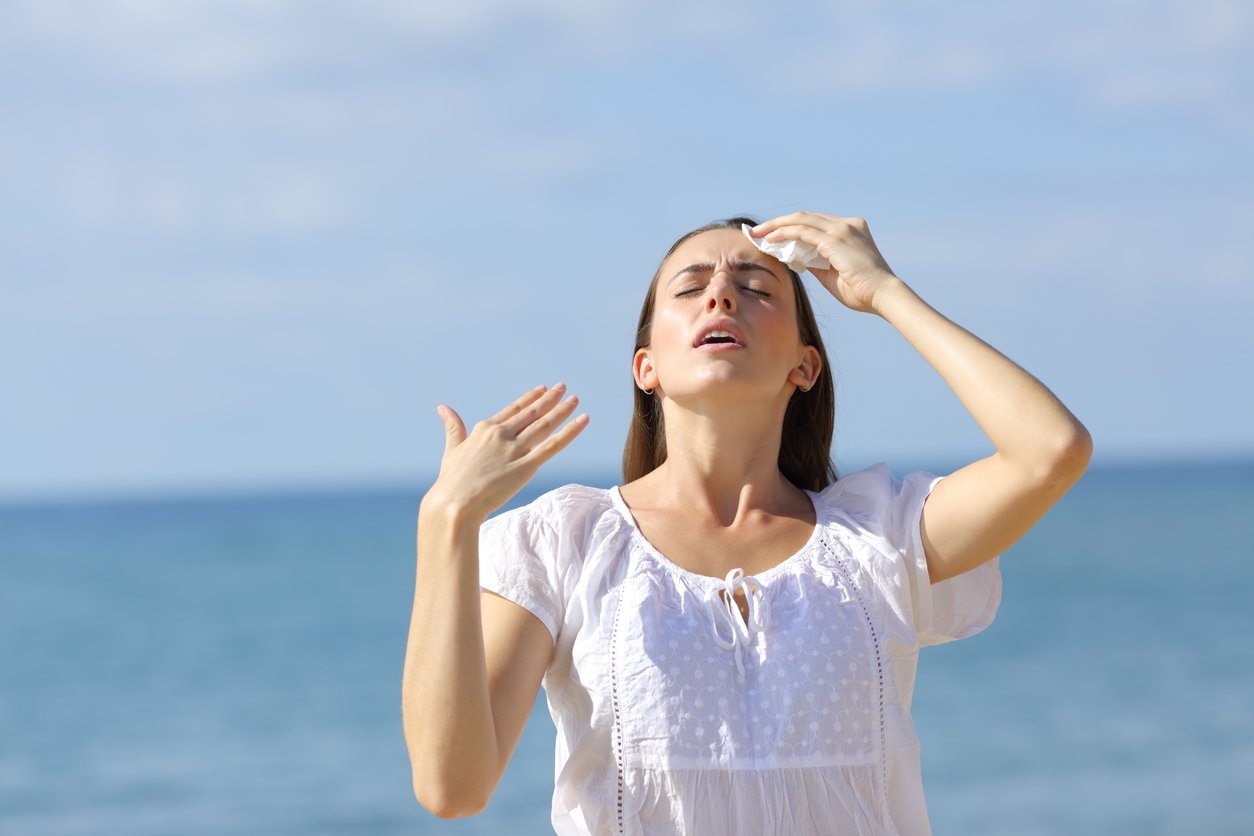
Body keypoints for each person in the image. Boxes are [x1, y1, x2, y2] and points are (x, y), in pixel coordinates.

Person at [402, 212, 1092, 834]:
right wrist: (447, 521)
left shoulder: (876, 536)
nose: (721, 295)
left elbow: (1050, 451)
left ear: (804, 366)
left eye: (757, 286)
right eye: (690, 285)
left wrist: (883, 291)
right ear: (646, 367)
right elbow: (452, 788)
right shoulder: (564, 542)